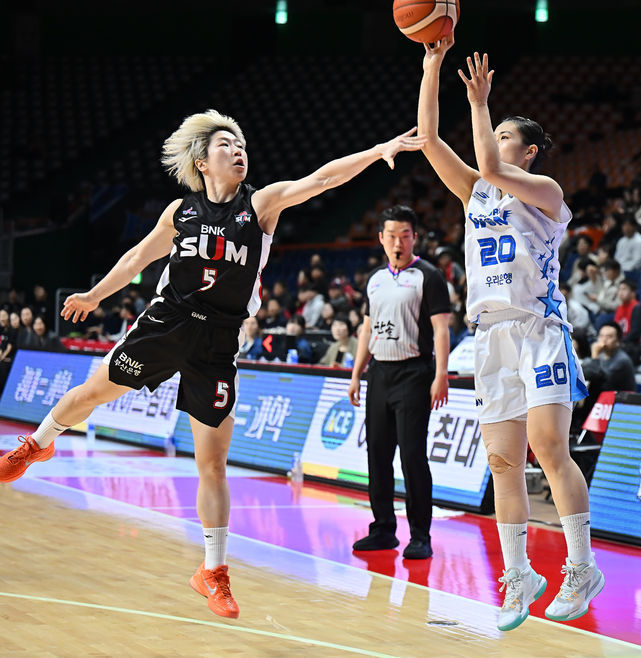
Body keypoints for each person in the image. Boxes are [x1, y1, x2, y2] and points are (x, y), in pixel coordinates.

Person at [0, 109, 425, 619]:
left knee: (212, 463)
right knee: (91, 393)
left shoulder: (260, 206)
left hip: (218, 341)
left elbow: (321, 179)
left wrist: (378, 151)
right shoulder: (180, 212)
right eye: (226, 144)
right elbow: (137, 258)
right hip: (167, 323)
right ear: (203, 162)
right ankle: (36, 445)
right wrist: (95, 295)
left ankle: (213, 571)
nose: (238, 151)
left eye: (241, 145)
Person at [417, 37, 602, 631]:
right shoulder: (476, 191)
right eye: (492, 133)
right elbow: (428, 139)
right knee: (501, 459)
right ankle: (519, 574)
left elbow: (492, 167)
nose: (494, 143)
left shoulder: (547, 193)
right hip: (490, 334)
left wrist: (479, 103)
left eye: (504, 135)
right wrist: (431, 66)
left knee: (548, 446)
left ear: (530, 150)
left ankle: (582, 565)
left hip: (538, 329)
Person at [346, 205, 451, 560]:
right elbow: (366, 329)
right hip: (379, 373)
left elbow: (441, 329)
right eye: (391, 236)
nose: (398, 243)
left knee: (412, 456)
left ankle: (420, 535)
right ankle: (383, 529)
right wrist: (356, 373)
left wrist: (441, 375)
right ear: (381, 238)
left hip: (414, 373)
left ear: (414, 238)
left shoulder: (429, 276)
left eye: (405, 236)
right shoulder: (374, 279)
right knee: (377, 454)